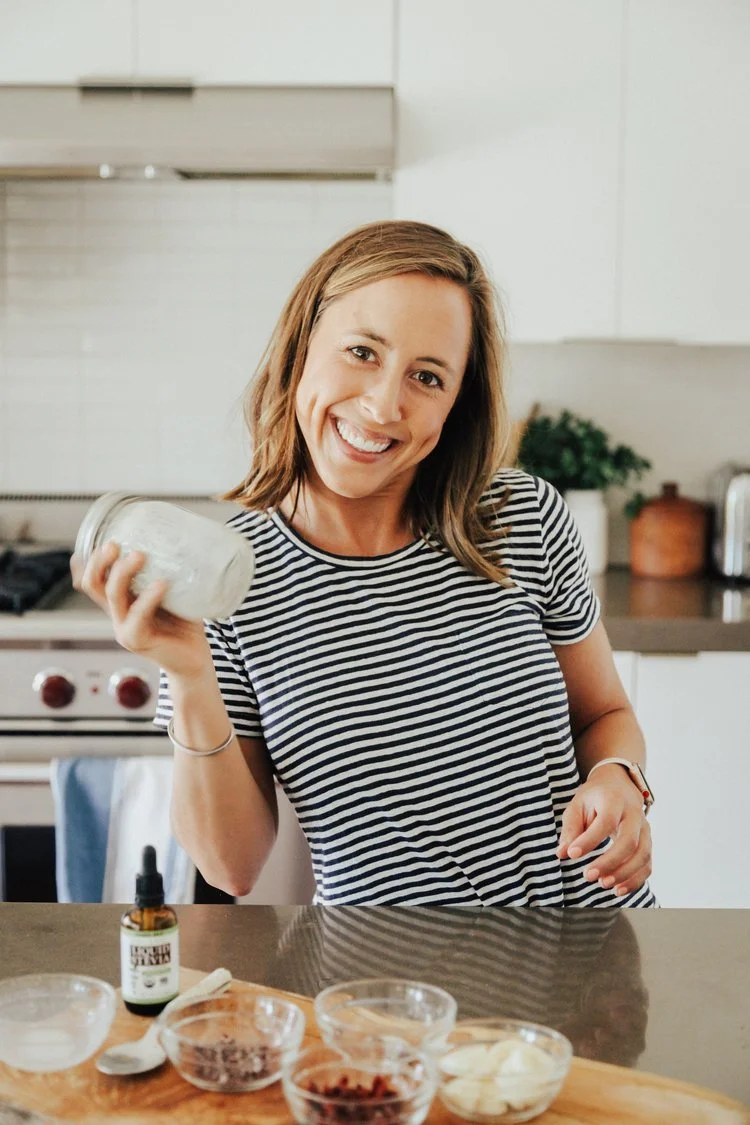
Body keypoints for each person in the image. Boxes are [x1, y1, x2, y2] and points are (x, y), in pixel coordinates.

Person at [73, 220, 655, 908]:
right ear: (302, 348)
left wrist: (619, 778)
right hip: (386, 998)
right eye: (361, 351)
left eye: (427, 376)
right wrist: (189, 674)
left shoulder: (520, 519)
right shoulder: (224, 578)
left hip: (584, 972)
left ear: (453, 406)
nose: (383, 405)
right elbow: (231, 866)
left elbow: (605, 712)